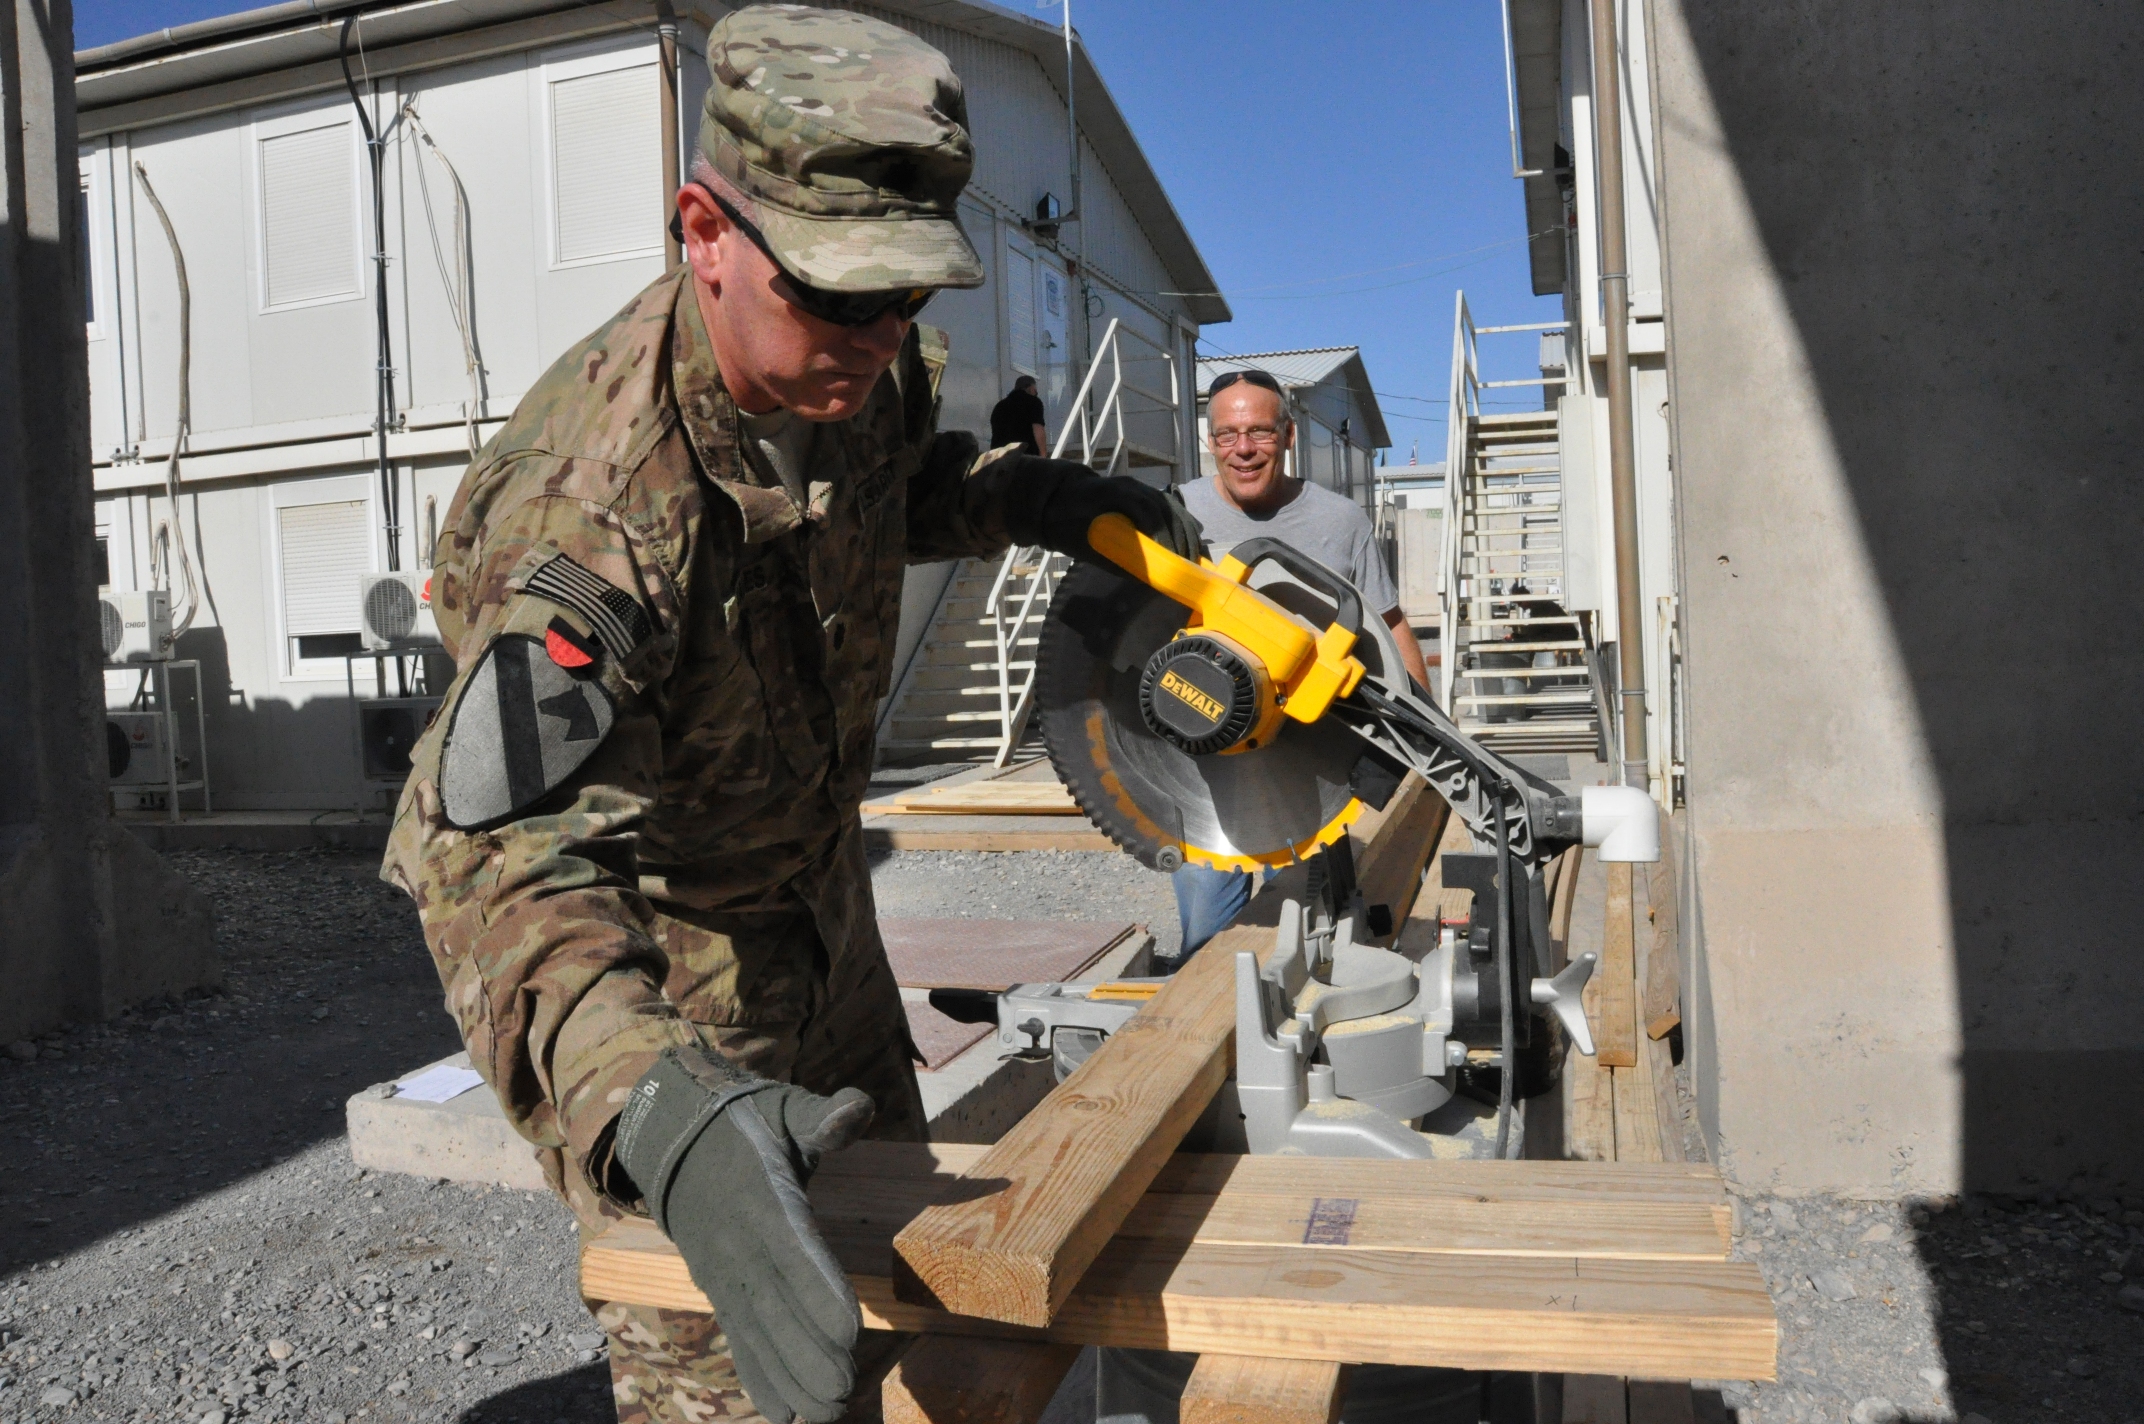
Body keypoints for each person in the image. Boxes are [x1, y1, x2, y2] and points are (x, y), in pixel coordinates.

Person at [379, 10, 1201, 1424]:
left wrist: (1030, 498)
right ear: (705, 229)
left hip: (838, 958)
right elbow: (497, 862)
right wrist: (658, 1111)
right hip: (681, 1022)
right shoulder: (594, 506)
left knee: (901, 1328)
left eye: (908, 302)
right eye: (841, 295)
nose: (880, 339)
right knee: (742, 1390)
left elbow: (892, 492)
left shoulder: (854, 372)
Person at [1163, 367, 1430, 966]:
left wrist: (1418, 728)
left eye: (1260, 431)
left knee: (1321, 933)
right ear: (1210, 441)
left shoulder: (1338, 521)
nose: (1244, 449)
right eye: (1228, 435)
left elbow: (1387, 623)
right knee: (1210, 938)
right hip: (1207, 750)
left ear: (1287, 437)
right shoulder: (1177, 514)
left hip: (1314, 755)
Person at [989, 373, 1048, 455]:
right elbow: (1038, 429)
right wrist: (1043, 454)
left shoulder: (1000, 406)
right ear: (1030, 388)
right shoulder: (1033, 402)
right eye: (1035, 391)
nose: (1036, 394)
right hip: (1025, 456)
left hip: (1000, 457)